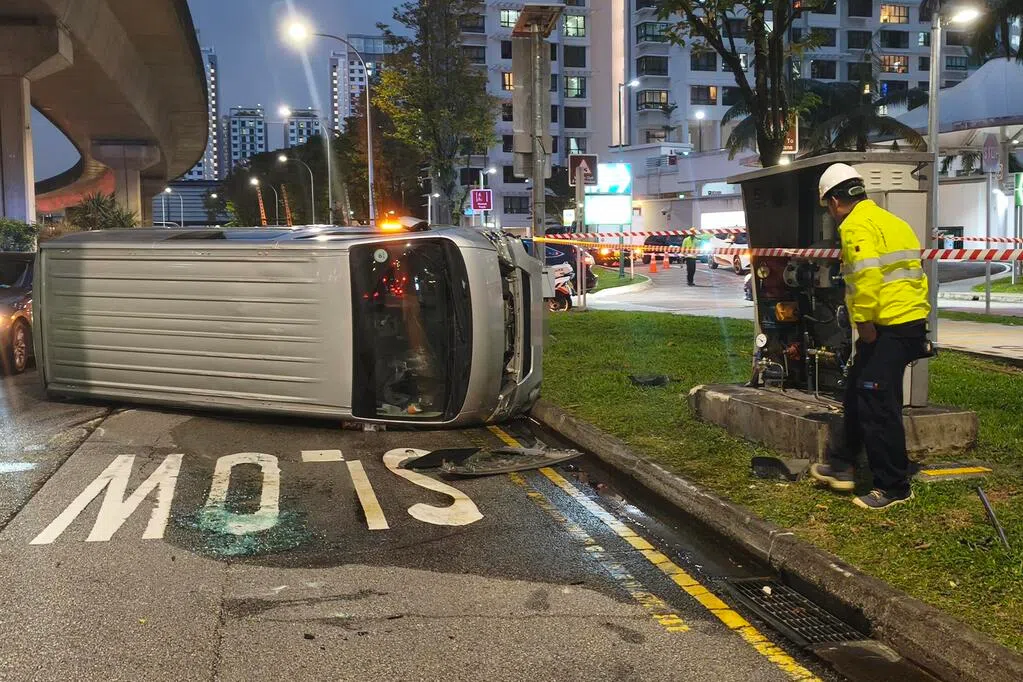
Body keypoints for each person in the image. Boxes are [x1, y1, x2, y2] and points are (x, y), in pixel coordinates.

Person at [809, 163, 931, 511]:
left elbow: (866, 278)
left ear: (833, 202)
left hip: (887, 326)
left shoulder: (855, 226)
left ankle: (893, 486)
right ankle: (842, 463)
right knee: (857, 389)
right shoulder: (893, 222)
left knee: (877, 403)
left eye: (827, 208)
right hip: (909, 322)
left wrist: (863, 324)